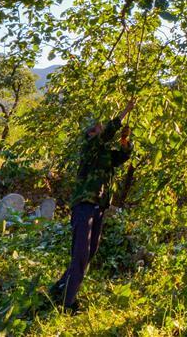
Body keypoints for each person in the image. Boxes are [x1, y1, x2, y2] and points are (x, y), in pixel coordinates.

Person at [50, 97, 136, 312]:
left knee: (90, 252)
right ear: (91, 135)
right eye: (98, 128)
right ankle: (67, 303)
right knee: (80, 253)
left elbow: (122, 157)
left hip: (98, 207)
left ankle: (58, 289)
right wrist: (125, 111)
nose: (102, 129)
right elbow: (106, 135)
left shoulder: (104, 154)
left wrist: (125, 142)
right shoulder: (89, 148)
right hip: (84, 205)